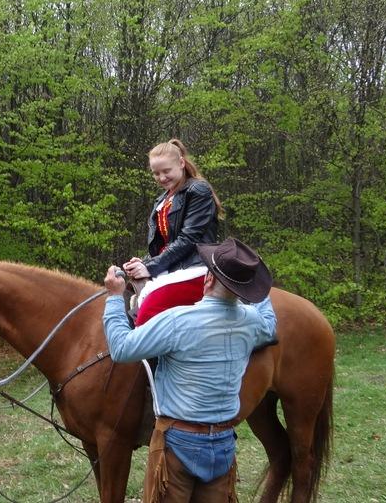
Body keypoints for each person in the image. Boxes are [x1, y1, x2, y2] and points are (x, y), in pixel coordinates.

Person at [103, 238, 278, 503]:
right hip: (223, 444)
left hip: (177, 444)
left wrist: (115, 297)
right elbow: (270, 324)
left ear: (208, 279)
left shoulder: (177, 321)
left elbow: (121, 348)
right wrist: (259, 291)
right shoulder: (252, 323)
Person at [123, 139, 224, 326]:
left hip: (196, 266)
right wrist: (144, 262)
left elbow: (188, 239)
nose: (161, 178)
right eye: (156, 173)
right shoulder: (162, 199)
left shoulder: (198, 190)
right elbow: (165, 244)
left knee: (150, 308)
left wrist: (150, 267)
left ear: (181, 163)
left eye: (166, 171)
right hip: (172, 266)